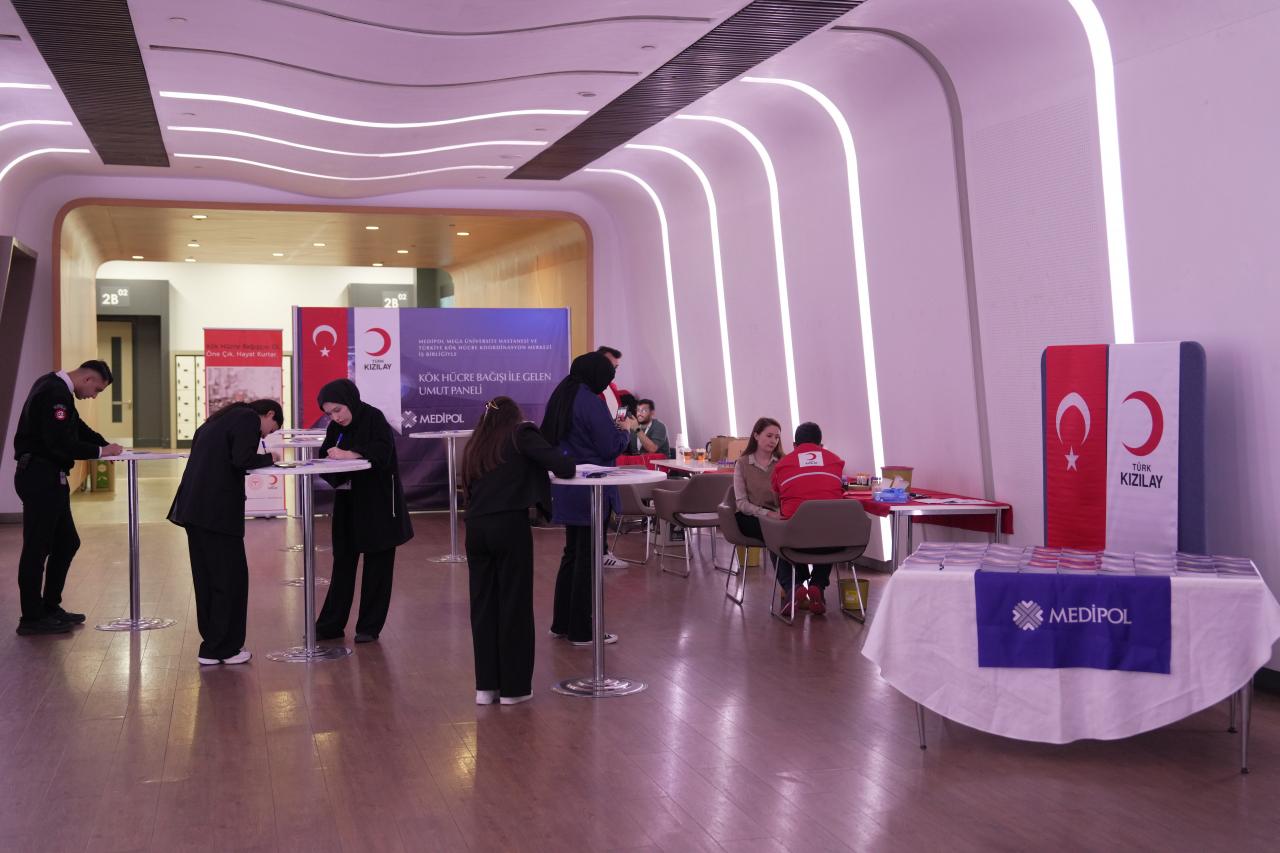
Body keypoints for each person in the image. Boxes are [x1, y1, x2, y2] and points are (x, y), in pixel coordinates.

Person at [462, 396, 576, 705]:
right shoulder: (521, 433)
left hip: (475, 528)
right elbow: (564, 466)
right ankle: (514, 689)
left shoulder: (475, 445)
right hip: (508, 525)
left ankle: (486, 688)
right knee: (514, 604)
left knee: (483, 607)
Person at [11, 360, 123, 635]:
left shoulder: (54, 386)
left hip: (50, 477)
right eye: (97, 390)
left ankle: (50, 607)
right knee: (37, 547)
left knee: (67, 542)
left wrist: (105, 445)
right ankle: (31, 618)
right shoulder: (55, 393)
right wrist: (101, 452)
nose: (94, 396)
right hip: (40, 477)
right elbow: (59, 443)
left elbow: (77, 428)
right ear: (87, 379)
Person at [168, 399, 283, 664]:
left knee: (207, 579)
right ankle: (225, 648)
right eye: (271, 429)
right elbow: (242, 459)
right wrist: (271, 457)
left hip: (194, 510)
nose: (265, 435)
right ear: (269, 414)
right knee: (230, 579)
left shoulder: (216, 422)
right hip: (217, 512)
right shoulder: (247, 419)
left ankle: (212, 645)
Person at [310, 380, 414, 644]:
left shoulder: (374, 418)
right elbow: (325, 454)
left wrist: (350, 455)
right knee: (343, 563)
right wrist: (333, 463)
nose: (336, 417)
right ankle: (331, 625)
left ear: (350, 401)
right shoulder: (335, 427)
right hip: (348, 502)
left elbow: (382, 451)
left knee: (378, 567)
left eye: (338, 410)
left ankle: (369, 626)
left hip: (379, 504)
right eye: (329, 413)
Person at [542, 351, 630, 645]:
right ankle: (582, 630)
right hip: (591, 490)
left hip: (568, 486)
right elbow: (609, 446)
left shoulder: (562, 395)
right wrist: (625, 432)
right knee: (588, 559)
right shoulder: (590, 401)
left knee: (572, 554)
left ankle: (562, 623)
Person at [770, 421, 846, 616]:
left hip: (794, 542)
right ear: (821, 445)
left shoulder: (782, 465)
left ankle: (793, 588)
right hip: (831, 543)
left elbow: (777, 498)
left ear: (795, 445)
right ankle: (818, 585)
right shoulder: (836, 461)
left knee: (773, 539)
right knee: (829, 528)